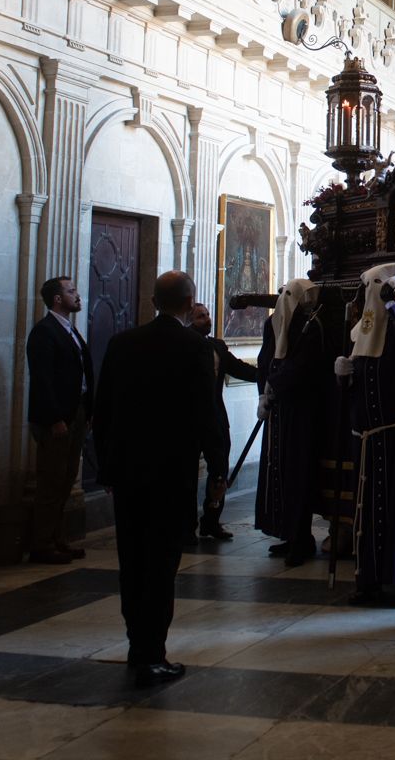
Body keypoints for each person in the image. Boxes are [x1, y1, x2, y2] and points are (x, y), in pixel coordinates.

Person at [92, 271, 226, 687]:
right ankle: (152, 654)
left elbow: (104, 412)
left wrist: (107, 468)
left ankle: (138, 646)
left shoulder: (121, 343)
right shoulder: (195, 347)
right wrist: (218, 468)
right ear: (189, 303)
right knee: (162, 565)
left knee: (132, 563)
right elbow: (207, 412)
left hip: (128, 474)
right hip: (171, 475)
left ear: (154, 301)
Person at [335, 263, 395, 606]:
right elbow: (356, 387)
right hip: (366, 439)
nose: (370, 293)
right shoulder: (362, 328)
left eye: (378, 286)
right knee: (367, 515)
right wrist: (344, 375)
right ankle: (368, 583)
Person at [255, 279, 326, 566]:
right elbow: (265, 359)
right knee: (277, 472)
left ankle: (301, 538)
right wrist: (263, 392)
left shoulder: (312, 327)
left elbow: (305, 367)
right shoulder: (273, 324)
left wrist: (277, 384)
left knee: (297, 474)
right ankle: (285, 531)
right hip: (277, 411)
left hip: (299, 412)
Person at [25, 275, 92, 564]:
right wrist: (55, 418)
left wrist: (87, 411)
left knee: (65, 480)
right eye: (71, 291)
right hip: (57, 418)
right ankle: (41, 544)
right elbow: (43, 380)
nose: (77, 296)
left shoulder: (70, 331)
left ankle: (57, 538)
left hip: (75, 413)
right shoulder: (45, 332)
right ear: (57, 299)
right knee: (51, 482)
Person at [189, 301, 260, 542]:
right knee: (187, 474)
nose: (207, 319)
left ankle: (211, 520)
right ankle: (187, 526)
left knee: (219, 471)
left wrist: (268, 375)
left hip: (217, 419)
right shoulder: (183, 346)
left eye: (208, 315)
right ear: (189, 320)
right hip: (191, 421)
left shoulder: (216, 346)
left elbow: (239, 369)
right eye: (201, 316)